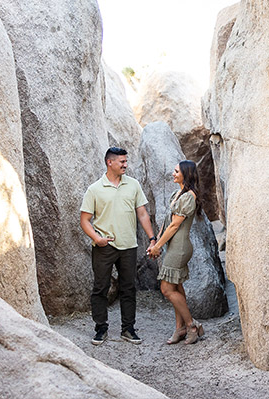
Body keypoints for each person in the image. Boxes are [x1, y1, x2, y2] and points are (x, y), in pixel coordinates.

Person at [80, 146, 156, 346]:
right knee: (100, 288)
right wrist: (97, 239)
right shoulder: (95, 189)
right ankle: (100, 329)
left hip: (129, 245)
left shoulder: (133, 185)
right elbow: (85, 220)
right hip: (104, 247)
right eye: (121, 161)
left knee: (129, 288)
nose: (125, 165)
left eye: (125, 161)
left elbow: (142, 214)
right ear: (109, 162)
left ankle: (128, 329)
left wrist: (152, 238)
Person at [147, 159, 204, 345]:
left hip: (179, 248)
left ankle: (191, 325)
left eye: (177, 171)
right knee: (177, 287)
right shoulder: (177, 193)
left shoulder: (188, 196)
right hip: (173, 246)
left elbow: (174, 226)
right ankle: (180, 328)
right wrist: (155, 242)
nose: (173, 173)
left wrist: (158, 247)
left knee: (166, 289)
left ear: (186, 174)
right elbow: (166, 223)